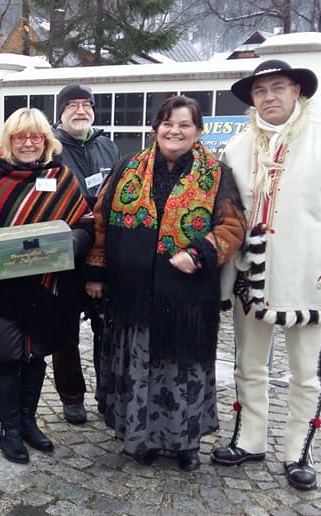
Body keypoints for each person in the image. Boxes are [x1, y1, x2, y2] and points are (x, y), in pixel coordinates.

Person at [212, 60, 321, 490]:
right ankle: (250, 439)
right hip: (251, 275)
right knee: (249, 364)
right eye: (260, 91)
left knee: (305, 372)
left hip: (309, 274)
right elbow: (227, 215)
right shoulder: (237, 148)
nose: (269, 97)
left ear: (296, 91)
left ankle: (299, 450)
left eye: (278, 87)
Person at [84, 96, 245, 471]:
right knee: (138, 363)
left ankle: (184, 443)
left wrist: (199, 253)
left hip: (187, 297)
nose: (175, 131)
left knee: (182, 368)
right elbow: (101, 219)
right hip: (132, 293)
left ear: (198, 131)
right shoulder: (126, 168)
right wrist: (96, 271)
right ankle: (139, 437)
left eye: (184, 125)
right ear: (156, 128)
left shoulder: (216, 175)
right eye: (168, 123)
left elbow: (232, 226)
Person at [0, 108, 92, 463]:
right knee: (8, 356)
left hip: (47, 287)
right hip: (1, 287)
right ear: (9, 140)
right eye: (20, 137)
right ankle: (10, 430)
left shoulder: (61, 176)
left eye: (36, 137)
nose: (28, 143)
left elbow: (85, 222)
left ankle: (29, 423)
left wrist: (72, 242)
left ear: (46, 141)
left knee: (36, 354)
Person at [52, 84, 119, 424]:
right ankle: (71, 396)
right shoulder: (50, 148)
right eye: (72, 105)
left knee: (106, 329)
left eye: (87, 105)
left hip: (103, 250)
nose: (81, 111)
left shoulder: (108, 146)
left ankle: (108, 394)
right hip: (65, 251)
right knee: (64, 332)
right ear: (61, 112)